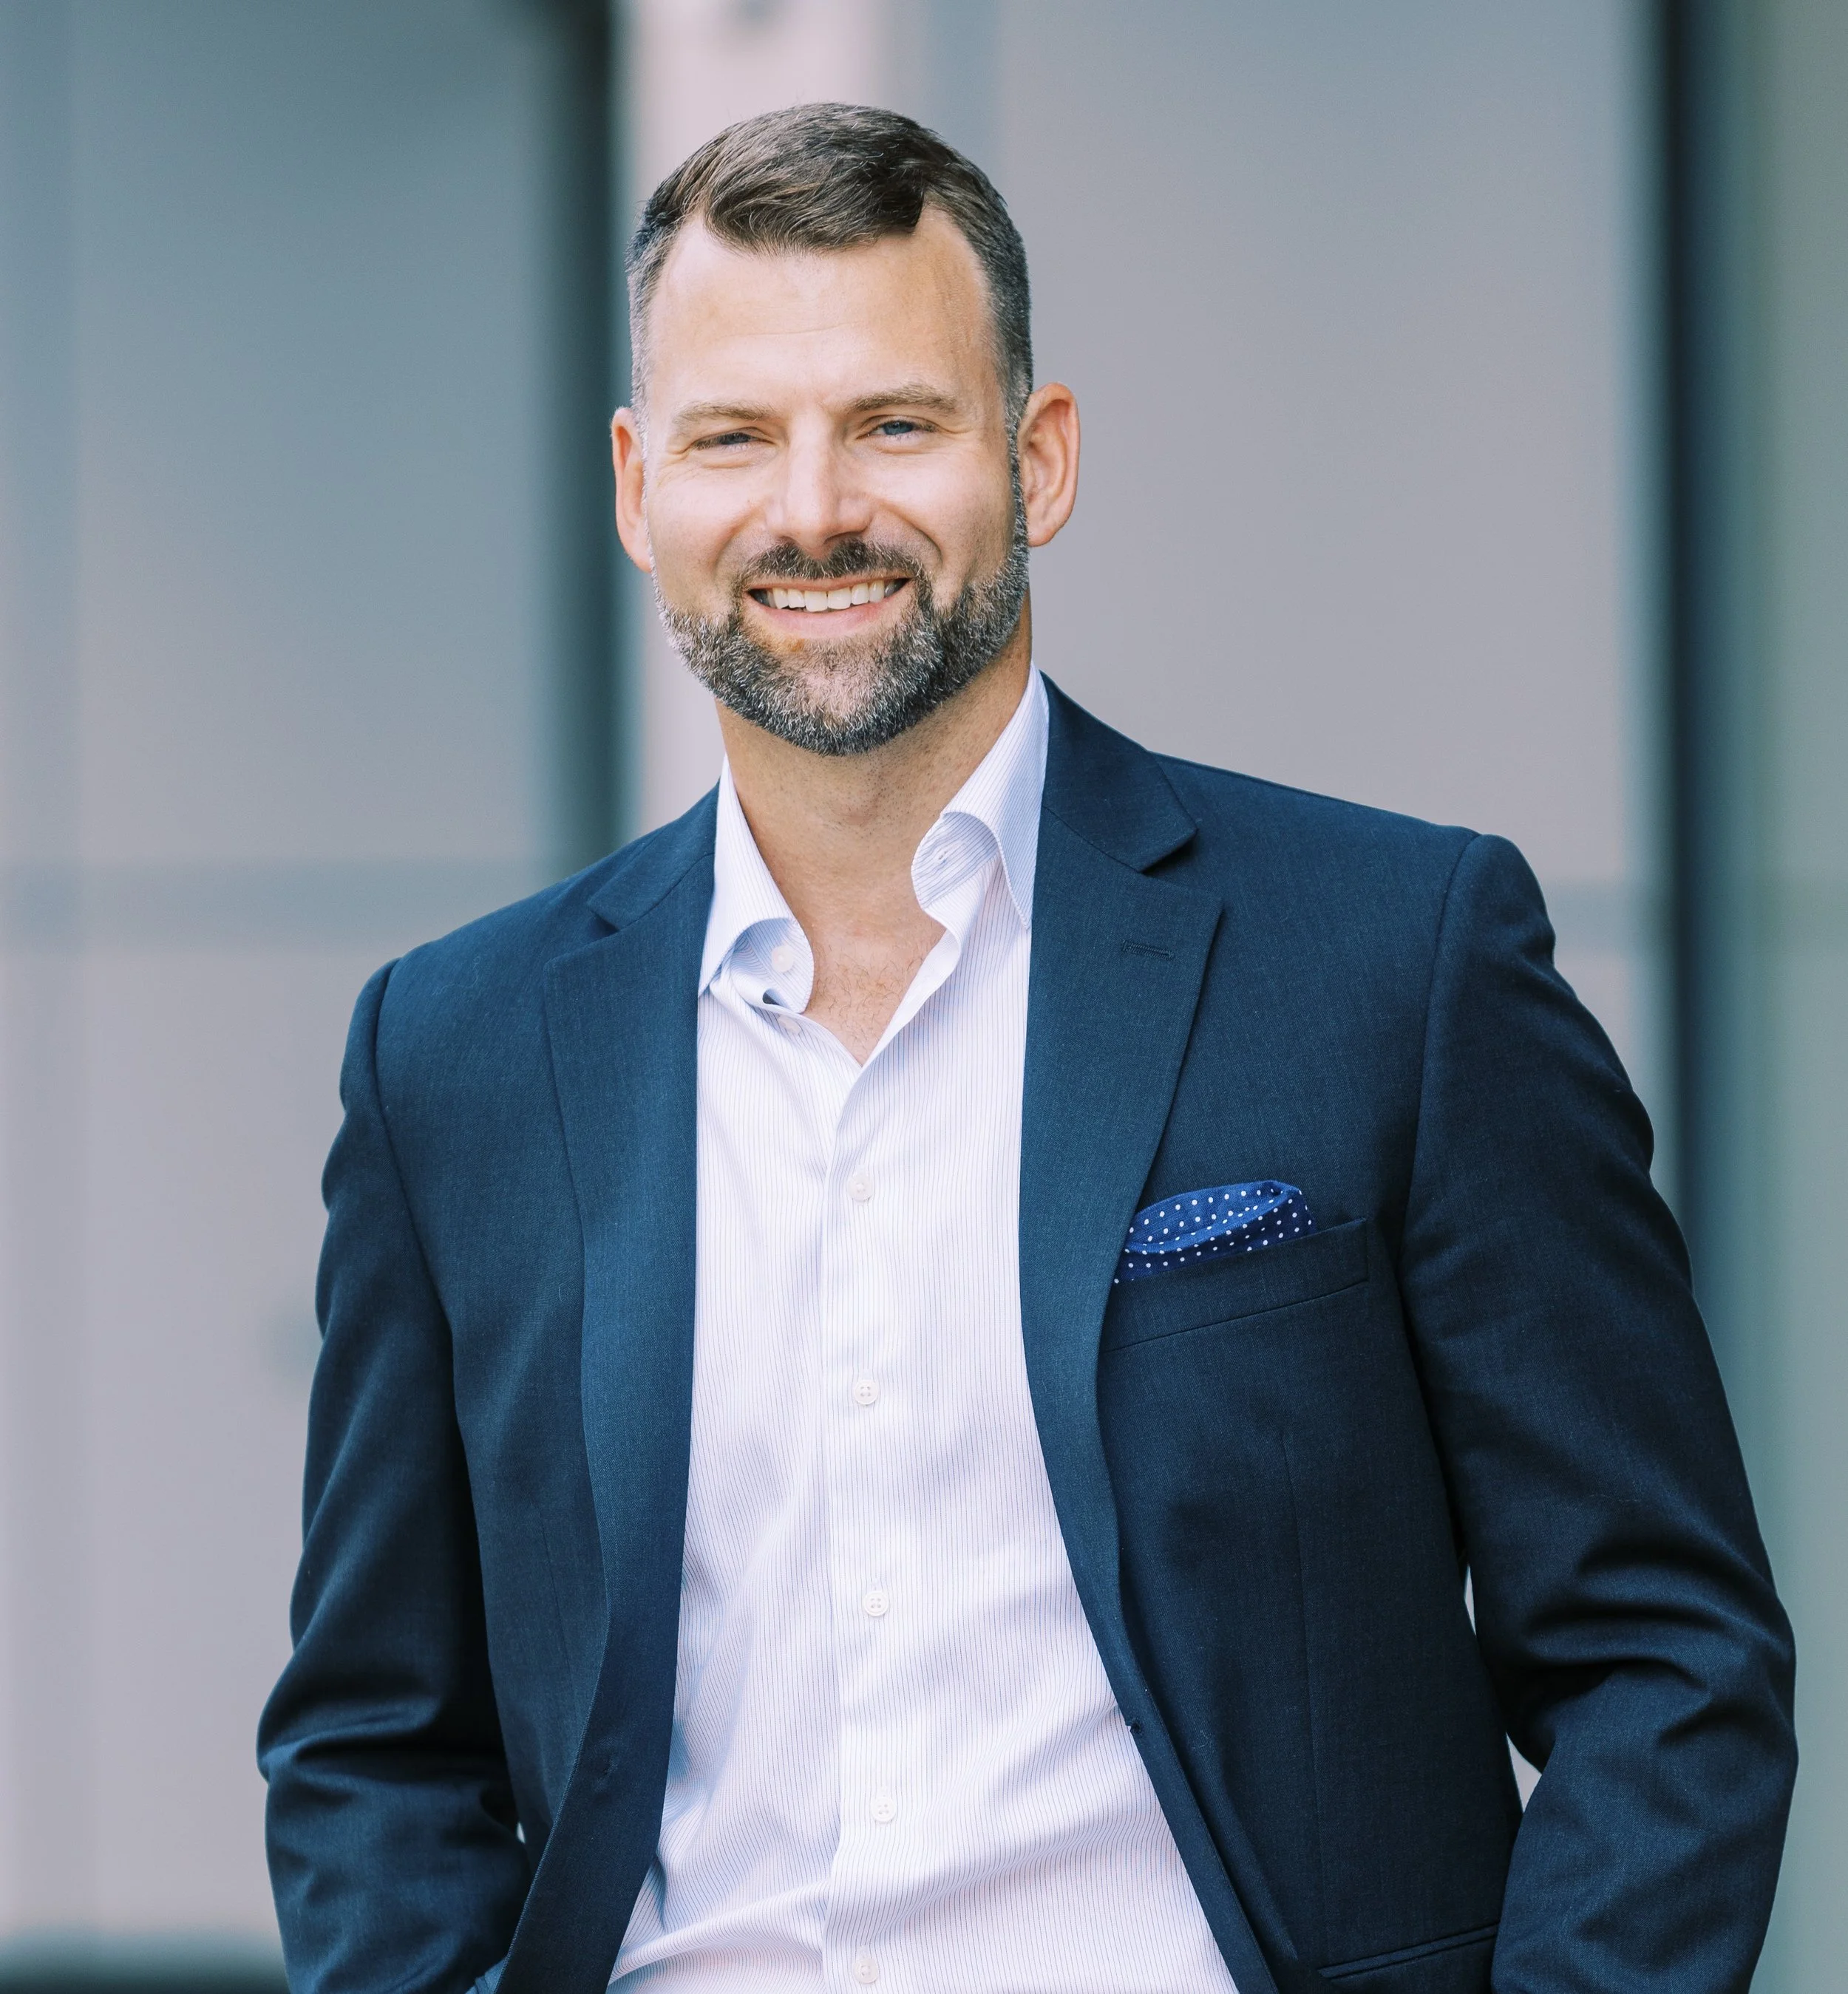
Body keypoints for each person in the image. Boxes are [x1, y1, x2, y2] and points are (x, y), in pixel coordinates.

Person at [259, 103, 1795, 1994]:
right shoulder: (454, 1056)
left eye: (894, 422)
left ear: (1037, 455)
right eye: (736, 436)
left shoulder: (1393, 960)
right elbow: (370, 1743)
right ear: (635, 485)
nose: (812, 508)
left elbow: (1663, 1653)